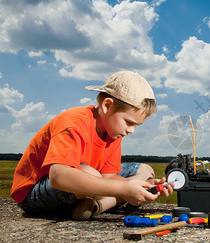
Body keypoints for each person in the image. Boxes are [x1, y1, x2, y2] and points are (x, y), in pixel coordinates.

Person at [10, 71, 173, 220]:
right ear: (107, 106)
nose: (131, 131)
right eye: (129, 122)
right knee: (90, 173)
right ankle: (110, 199)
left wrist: (146, 187)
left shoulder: (113, 132)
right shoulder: (74, 123)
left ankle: (96, 205)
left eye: (137, 125)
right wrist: (124, 190)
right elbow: (58, 176)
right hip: (35, 193)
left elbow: (109, 177)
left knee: (145, 171)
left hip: (82, 183)